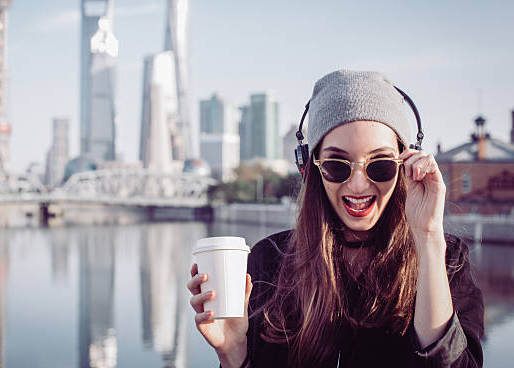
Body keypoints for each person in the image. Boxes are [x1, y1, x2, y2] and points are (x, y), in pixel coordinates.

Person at [187, 70, 484, 367]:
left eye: (379, 165)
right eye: (337, 165)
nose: (357, 185)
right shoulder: (268, 263)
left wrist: (429, 237)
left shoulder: (447, 261)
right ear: (312, 168)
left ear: (405, 164)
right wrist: (233, 352)